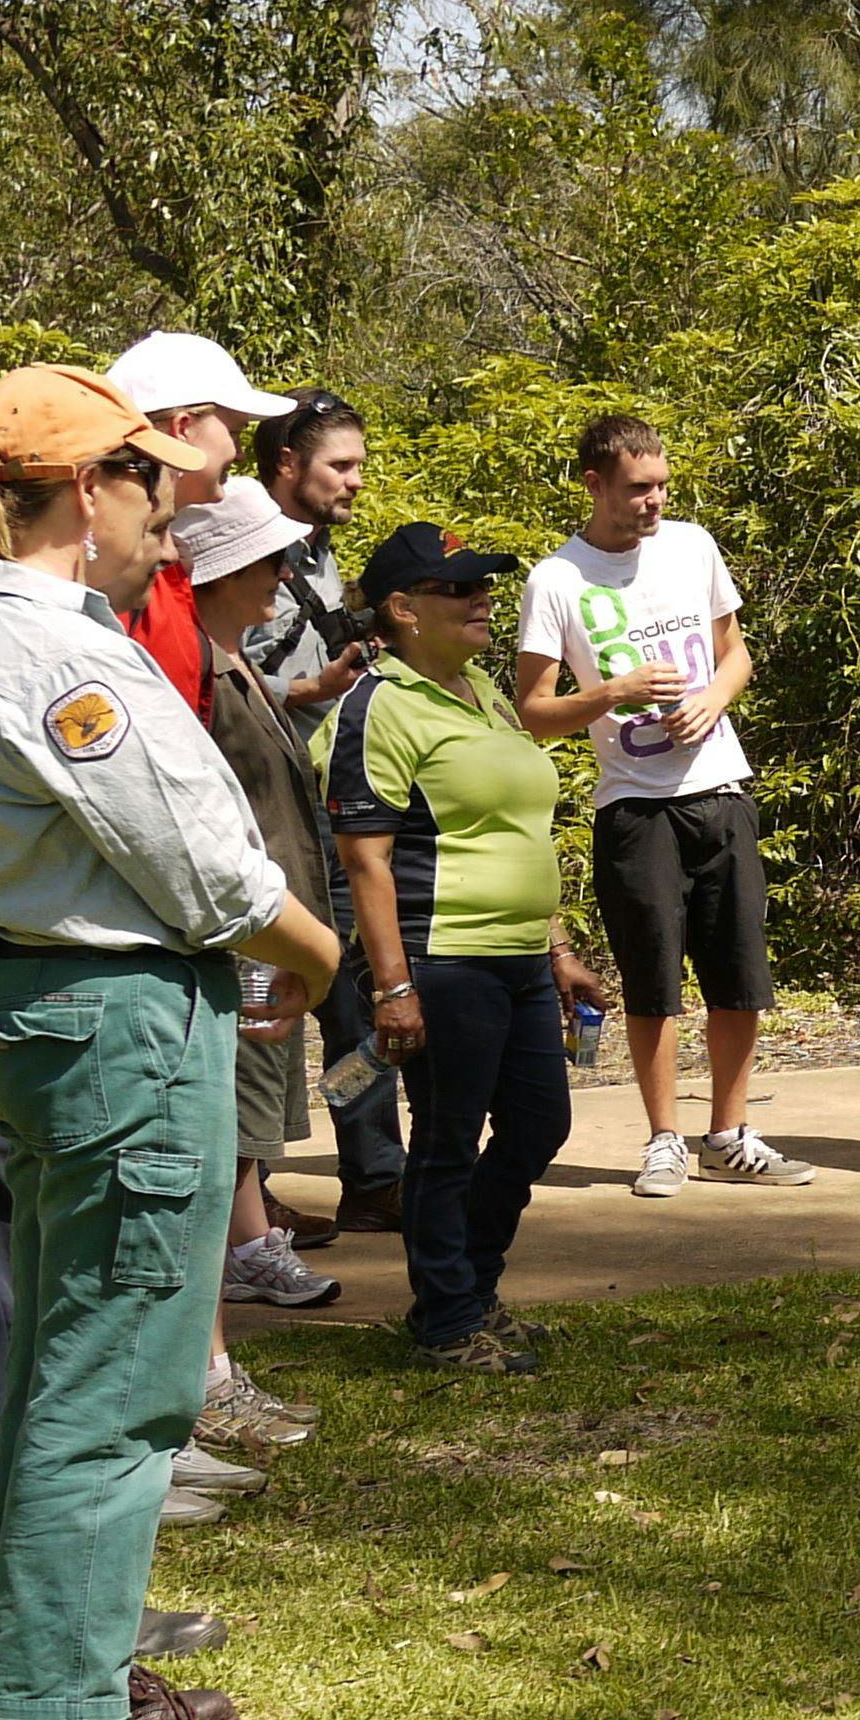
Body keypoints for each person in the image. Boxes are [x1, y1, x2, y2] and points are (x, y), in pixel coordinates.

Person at [0, 363, 341, 1720]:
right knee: (123, 1365)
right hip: (117, 1020)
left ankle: (70, 1651)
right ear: (85, 493)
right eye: (151, 479)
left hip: (44, 1003)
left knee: (63, 1346)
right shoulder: (49, 653)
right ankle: (61, 1713)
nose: (175, 503)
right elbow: (203, 865)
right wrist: (318, 952)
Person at [318, 521, 609, 1374]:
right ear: (403, 609)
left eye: (484, 584)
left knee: (538, 1125)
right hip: (439, 958)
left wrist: (555, 948)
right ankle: (448, 1321)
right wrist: (393, 988)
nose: (484, 598)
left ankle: (472, 1292)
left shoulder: (481, 690)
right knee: (446, 1139)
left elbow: (516, 829)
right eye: (459, 589)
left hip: (518, 957)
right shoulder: (377, 707)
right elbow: (364, 858)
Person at [510, 413, 813, 1197]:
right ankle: (664, 1138)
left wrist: (714, 699)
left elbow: (734, 652)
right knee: (653, 980)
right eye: (638, 488)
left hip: (719, 790)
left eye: (663, 486)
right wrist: (612, 692)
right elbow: (534, 713)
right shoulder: (557, 579)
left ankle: (730, 1134)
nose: (654, 502)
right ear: (595, 484)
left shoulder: (692, 547)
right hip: (635, 808)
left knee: (739, 973)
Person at [174, 479, 346, 1328]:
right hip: (241, 921)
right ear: (224, 567)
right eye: (268, 558)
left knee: (262, 1083)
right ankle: (240, 1252)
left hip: (275, 917)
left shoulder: (240, 661)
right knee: (237, 1087)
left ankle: (246, 1243)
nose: (283, 573)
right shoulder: (195, 668)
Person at [245, 390, 398, 1240]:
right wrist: (307, 689)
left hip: (333, 805)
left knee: (358, 997)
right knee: (266, 993)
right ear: (285, 466)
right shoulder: (230, 545)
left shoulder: (320, 552)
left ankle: (375, 1177)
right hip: (260, 813)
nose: (355, 482)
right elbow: (202, 675)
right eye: (341, 466)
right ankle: (247, 1193)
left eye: (359, 466)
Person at [103, 333, 295, 719]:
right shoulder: (111, 564)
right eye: (236, 432)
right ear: (183, 428)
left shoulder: (158, 558)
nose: (240, 453)